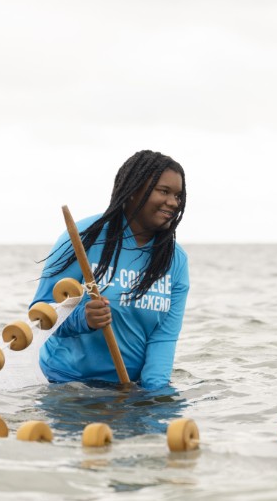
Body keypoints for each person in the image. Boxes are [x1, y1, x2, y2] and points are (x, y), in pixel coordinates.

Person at [31, 149, 189, 391]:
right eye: (164, 191)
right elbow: (38, 315)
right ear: (134, 189)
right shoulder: (84, 237)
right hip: (67, 384)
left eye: (178, 195)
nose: (173, 203)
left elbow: (163, 338)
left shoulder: (175, 260)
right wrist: (82, 319)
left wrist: (155, 397)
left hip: (128, 388)